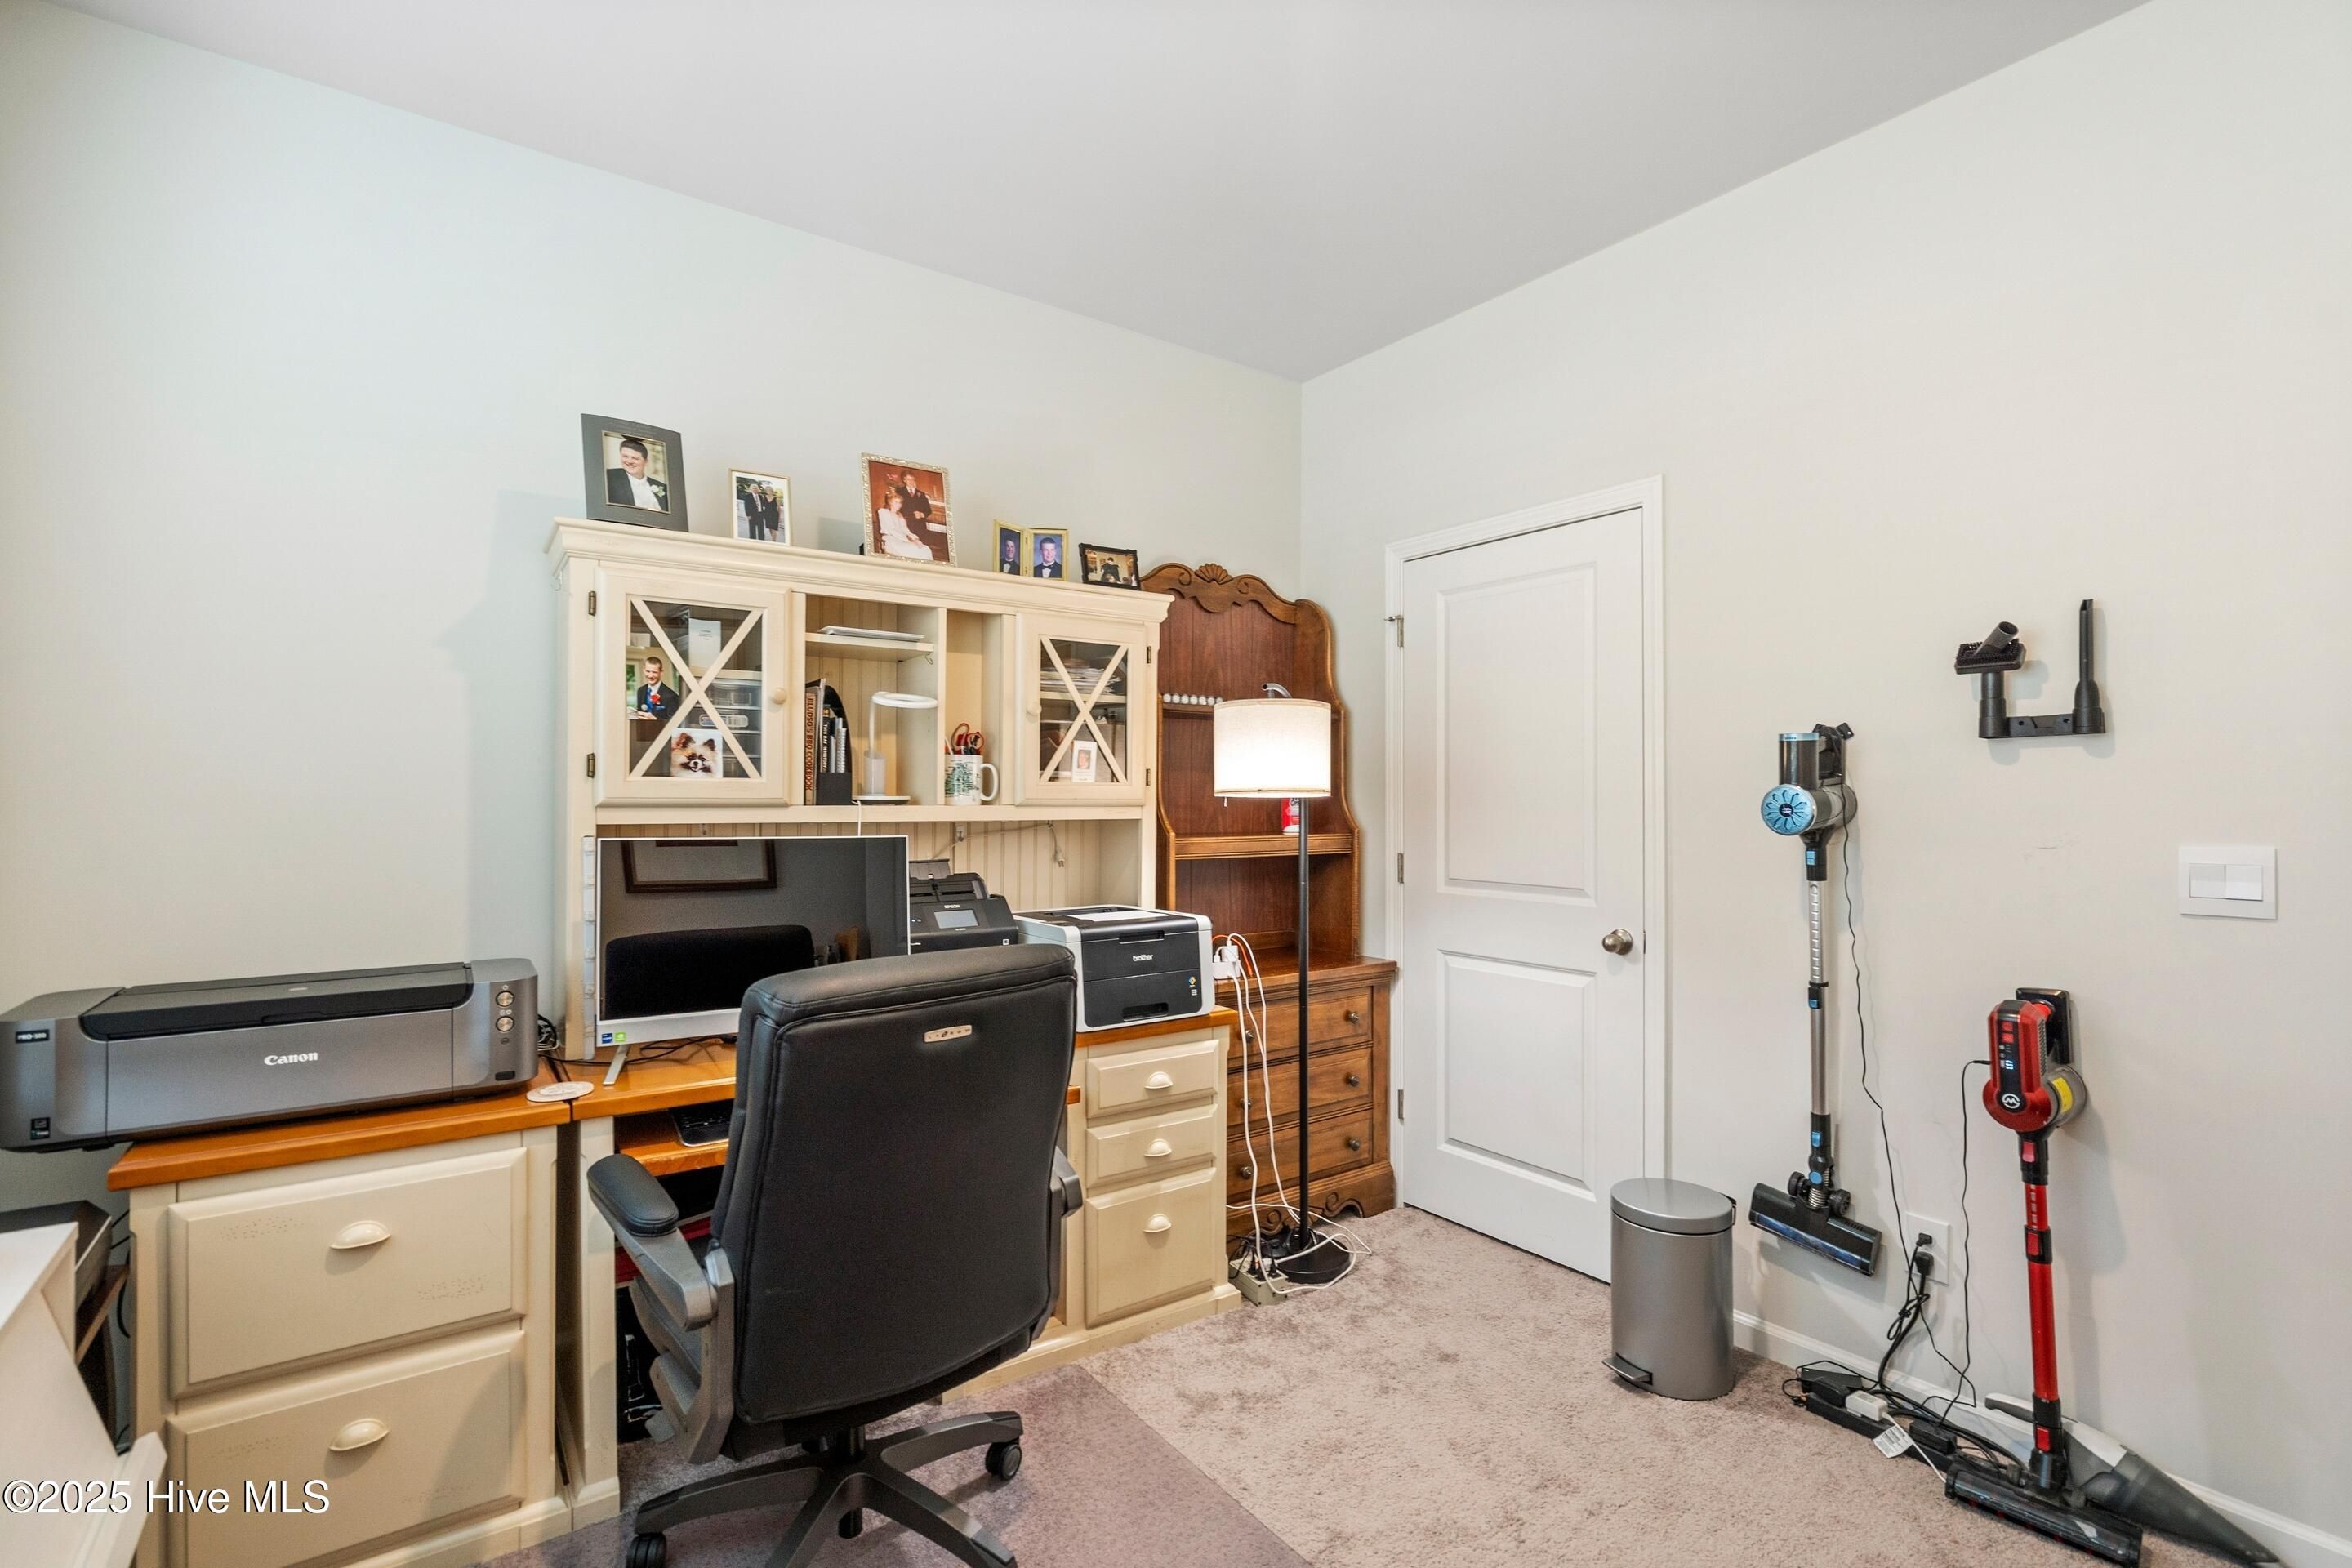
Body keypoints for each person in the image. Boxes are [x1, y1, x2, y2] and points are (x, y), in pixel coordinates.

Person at [606, 437, 668, 512]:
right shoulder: (609, 477)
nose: (629, 461)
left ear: (646, 462)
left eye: (635, 458)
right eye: (625, 456)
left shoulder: (663, 487)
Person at [874, 489, 930, 560]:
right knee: (918, 550)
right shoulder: (883, 512)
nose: (898, 504)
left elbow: (906, 531)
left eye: (900, 502)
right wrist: (909, 541)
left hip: (902, 540)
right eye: (896, 502)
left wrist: (916, 539)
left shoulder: (900, 516)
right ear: (890, 502)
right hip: (891, 541)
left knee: (926, 549)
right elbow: (892, 530)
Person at [635, 653, 682, 721]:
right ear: (644, 670)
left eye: (654, 672)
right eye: (648, 671)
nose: (650, 676)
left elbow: (674, 722)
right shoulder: (641, 691)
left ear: (661, 672)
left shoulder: (671, 696)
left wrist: (656, 720)